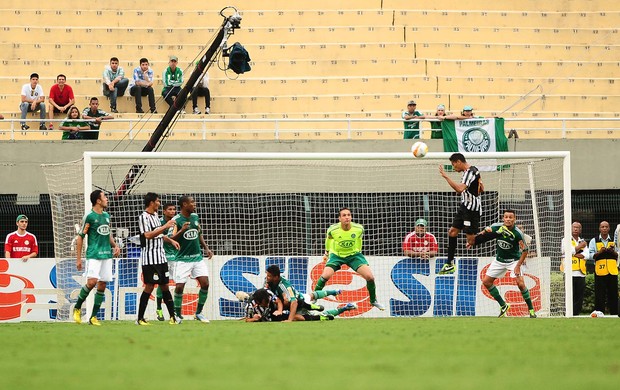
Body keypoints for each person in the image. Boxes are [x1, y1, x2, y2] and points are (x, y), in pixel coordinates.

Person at [468, 209, 536, 318]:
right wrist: (473, 241)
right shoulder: (496, 226)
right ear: (503, 218)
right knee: (486, 282)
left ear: (514, 219)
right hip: (499, 260)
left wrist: (518, 266)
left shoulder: (517, 233)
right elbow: (485, 232)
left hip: (513, 261)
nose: (508, 219)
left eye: (510, 217)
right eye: (506, 217)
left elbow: (525, 250)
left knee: (521, 284)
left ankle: (531, 311)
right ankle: (503, 305)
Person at [314, 207, 385, 311]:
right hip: (337, 256)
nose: (347, 217)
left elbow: (359, 240)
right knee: (326, 275)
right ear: (339, 218)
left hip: (353, 256)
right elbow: (328, 240)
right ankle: (314, 297)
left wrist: (358, 251)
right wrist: (327, 253)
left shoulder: (359, 229)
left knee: (370, 277)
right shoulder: (332, 230)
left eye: (349, 215)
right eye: (344, 215)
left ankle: (373, 300)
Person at [73, 190, 121, 326]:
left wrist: (115, 245)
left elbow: (107, 233)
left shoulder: (106, 216)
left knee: (102, 284)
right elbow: (80, 237)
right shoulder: (89, 217)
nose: (107, 199)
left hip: (106, 254)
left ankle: (93, 317)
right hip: (94, 254)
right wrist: (78, 258)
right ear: (98, 201)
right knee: (92, 282)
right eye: (104, 197)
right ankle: (77, 308)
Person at [135, 192, 180, 325]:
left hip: (161, 257)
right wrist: (165, 227)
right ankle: (140, 318)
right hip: (150, 258)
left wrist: (170, 241)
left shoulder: (155, 216)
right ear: (151, 203)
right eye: (158, 201)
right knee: (149, 286)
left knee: (165, 285)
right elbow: (148, 235)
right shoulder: (144, 217)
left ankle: (172, 317)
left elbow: (159, 234)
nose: (159, 204)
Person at [170, 195, 213, 323]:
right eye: (192, 202)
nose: (194, 204)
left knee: (205, 283)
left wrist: (206, 248)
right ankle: (177, 315)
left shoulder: (195, 217)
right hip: (182, 259)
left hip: (197, 257)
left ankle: (198, 313)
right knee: (179, 287)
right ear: (184, 204)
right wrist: (182, 230)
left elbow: (198, 234)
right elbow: (172, 239)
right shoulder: (176, 220)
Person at [438, 153, 483, 275]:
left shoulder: (470, 172)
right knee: (452, 232)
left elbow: (459, 188)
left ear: (458, 161)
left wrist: (446, 177)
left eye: (453, 165)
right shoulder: (469, 172)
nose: (453, 168)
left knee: (471, 241)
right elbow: (477, 187)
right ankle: (449, 264)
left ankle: (492, 232)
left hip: (471, 210)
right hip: (464, 207)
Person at [265, 265, 353, 322]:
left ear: (276, 277)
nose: (267, 278)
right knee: (312, 295)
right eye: (267, 275)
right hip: (300, 296)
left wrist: (290, 320)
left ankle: (342, 306)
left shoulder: (285, 286)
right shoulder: (268, 282)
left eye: (269, 276)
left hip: (299, 303)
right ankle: (335, 295)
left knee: (309, 314)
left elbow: (294, 301)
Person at [587, 221, 618, 316]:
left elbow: (618, 254)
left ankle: (615, 313)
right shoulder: (594, 240)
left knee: (613, 293)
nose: (604, 228)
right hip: (600, 271)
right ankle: (600, 313)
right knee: (599, 294)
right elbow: (590, 255)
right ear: (599, 228)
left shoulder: (614, 240)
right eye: (602, 227)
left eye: (606, 227)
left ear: (609, 228)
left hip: (612, 271)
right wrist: (600, 252)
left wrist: (612, 252)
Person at [155, 202, 178, 321]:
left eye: (174, 209)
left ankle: (175, 310)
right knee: (163, 283)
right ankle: (159, 309)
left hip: (175, 256)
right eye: (170, 209)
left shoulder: (176, 222)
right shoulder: (159, 222)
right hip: (162, 256)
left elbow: (175, 237)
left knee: (179, 282)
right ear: (164, 211)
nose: (172, 211)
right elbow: (159, 236)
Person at [561, 221, 589, 315]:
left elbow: (586, 255)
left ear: (580, 230)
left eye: (578, 227)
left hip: (580, 273)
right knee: (569, 295)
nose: (576, 229)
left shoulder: (583, 241)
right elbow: (566, 251)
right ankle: (568, 313)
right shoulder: (566, 240)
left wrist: (574, 253)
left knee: (579, 295)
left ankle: (576, 313)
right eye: (574, 227)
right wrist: (579, 247)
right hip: (569, 272)